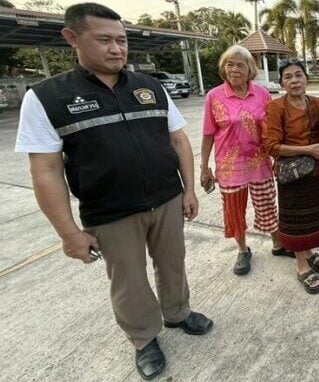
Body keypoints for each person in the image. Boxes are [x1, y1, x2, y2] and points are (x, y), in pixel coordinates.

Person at [14, 3, 212, 380]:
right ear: (72, 38)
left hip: (167, 197)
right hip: (110, 211)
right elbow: (45, 170)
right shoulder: (47, 97)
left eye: (121, 40)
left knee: (173, 262)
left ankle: (178, 312)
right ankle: (143, 337)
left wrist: (189, 191)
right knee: (129, 278)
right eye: (104, 40)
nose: (116, 49)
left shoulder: (150, 87)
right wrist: (68, 232)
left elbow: (179, 141)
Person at [200, 45, 294, 277]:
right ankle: (242, 250)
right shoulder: (214, 96)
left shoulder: (262, 94)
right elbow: (208, 134)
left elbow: (272, 128)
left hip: (259, 162)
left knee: (267, 205)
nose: (234, 69)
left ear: (250, 68)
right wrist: (204, 167)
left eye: (240, 64)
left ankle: (278, 244)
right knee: (234, 211)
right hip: (229, 167)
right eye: (229, 64)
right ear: (223, 69)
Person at [262, 58, 319, 294]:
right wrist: (307, 150)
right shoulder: (276, 108)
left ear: (306, 78)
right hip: (292, 175)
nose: (294, 81)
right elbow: (271, 146)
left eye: (298, 75)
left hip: (316, 171)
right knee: (297, 221)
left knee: (314, 218)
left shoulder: (318, 104)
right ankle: (301, 265)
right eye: (288, 77)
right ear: (281, 82)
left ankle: (309, 252)